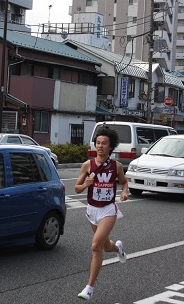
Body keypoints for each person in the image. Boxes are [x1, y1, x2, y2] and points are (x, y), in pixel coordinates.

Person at [75, 126, 128, 301]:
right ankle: (117, 247)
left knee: (96, 246)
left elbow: (124, 182)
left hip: (108, 210)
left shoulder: (116, 166)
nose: (100, 146)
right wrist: (86, 185)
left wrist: (123, 192)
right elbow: (76, 188)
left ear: (110, 146)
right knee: (106, 246)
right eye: (98, 143)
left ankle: (89, 288)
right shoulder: (87, 165)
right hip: (92, 210)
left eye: (104, 143)